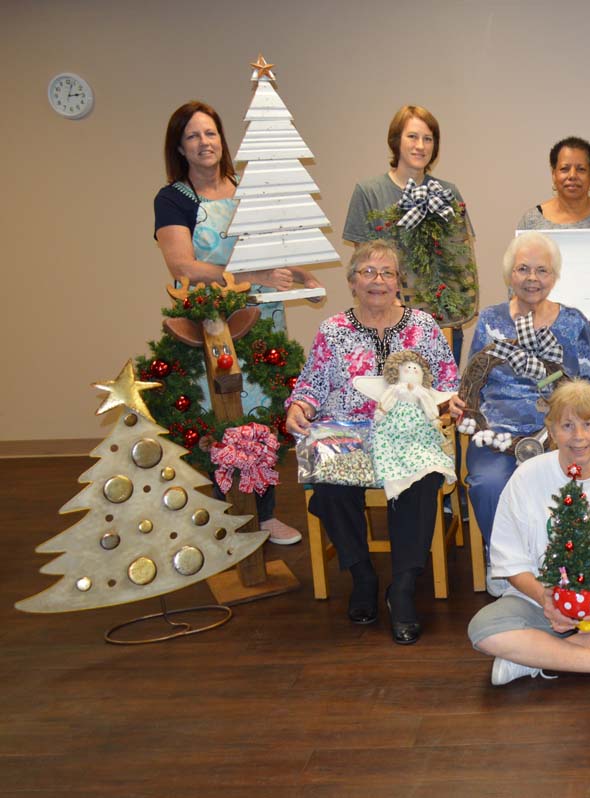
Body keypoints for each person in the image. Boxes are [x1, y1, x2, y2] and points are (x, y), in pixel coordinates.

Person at [153, 100, 320, 546]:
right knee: (225, 418)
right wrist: (252, 276)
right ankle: (229, 516)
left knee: (265, 413)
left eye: (210, 133)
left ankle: (263, 515)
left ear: (222, 139)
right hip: (214, 327)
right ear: (180, 148)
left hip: (263, 319)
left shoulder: (247, 190)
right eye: (192, 136)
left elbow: (273, 250)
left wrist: (301, 277)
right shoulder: (173, 199)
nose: (204, 142)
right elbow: (183, 266)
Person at [286, 240, 459, 645]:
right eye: (367, 272)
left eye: (387, 273)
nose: (377, 280)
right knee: (329, 483)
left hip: (408, 431)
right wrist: (299, 406)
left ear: (398, 282)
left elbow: (448, 381)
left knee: (423, 478)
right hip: (346, 430)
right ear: (352, 282)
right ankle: (362, 574)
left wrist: (450, 403)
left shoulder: (423, 326)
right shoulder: (333, 330)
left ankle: (402, 588)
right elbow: (311, 384)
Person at [467, 379, 590, 693]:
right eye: (567, 425)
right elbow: (511, 562)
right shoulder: (526, 477)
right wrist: (546, 601)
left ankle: (532, 656)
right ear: (551, 430)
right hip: (541, 603)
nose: (579, 437)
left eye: (588, 424)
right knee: (483, 631)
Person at [447, 232, 590, 592]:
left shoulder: (572, 322)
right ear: (509, 274)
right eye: (523, 269)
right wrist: (461, 401)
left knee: (566, 481)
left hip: (559, 432)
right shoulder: (491, 319)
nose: (532, 278)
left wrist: (576, 410)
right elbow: (472, 378)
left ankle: (560, 561)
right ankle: (503, 564)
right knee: (488, 483)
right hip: (496, 431)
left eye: (542, 270)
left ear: (554, 276)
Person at [342, 105, 473, 358]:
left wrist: (458, 304)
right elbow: (363, 264)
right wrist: (391, 304)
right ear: (396, 141)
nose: (420, 146)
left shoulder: (447, 193)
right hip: (385, 321)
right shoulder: (369, 192)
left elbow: (460, 260)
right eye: (412, 136)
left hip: (440, 324)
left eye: (428, 139)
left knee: (441, 384)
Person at [516, 136, 590, 230]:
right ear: (554, 175)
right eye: (564, 169)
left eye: (581, 169)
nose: (572, 176)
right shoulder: (531, 222)